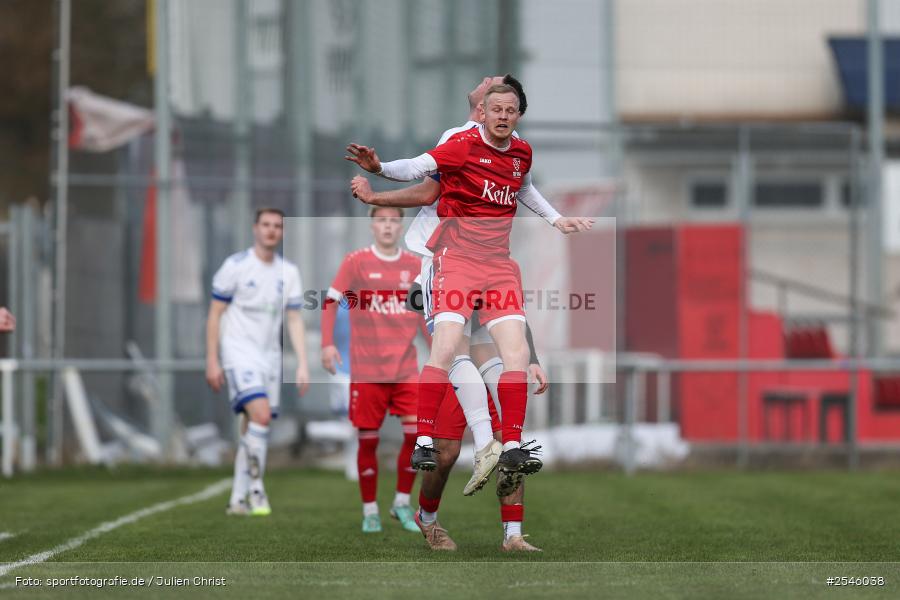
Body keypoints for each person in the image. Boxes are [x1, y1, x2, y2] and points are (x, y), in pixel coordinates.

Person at [349, 75, 587, 551]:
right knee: (448, 442)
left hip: (488, 275)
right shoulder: (455, 142)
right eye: (491, 95)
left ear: (515, 110)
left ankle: (512, 526)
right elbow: (423, 183)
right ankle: (448, 488)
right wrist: (377, 185)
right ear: (483, 108)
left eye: (506, 98)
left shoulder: (519, 151)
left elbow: (524, 191)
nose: (495, 99)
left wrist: (533, 354)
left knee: (507, 391)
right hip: (440, 268)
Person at [321, 206, 429, 533]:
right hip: (367, 370)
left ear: (400, 227)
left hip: (406, 370)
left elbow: (424, 316)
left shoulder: (414, 266)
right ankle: (370, 510)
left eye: (393, 221)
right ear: (372, 226)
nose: (387, 226)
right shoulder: (356, 262)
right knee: (368, 441)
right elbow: (329, 302)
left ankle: (401, 503)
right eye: (381, 220)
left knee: (415, 437)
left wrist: (441, 350)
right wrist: (326, 343)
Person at [206, 208, 310, 516]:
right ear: (255, 228)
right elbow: (215, 314)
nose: (271, 231)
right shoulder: (235, 266)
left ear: (283, 232)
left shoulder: (288, 272)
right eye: (266, 225)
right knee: (261, 416)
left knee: (252, 427)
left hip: (270, 358)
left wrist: (303, 362)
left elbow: (294, 320)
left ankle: (237, 499)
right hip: (238, 353)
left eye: (277, 226)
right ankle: (256, 490)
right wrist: (212, 359)